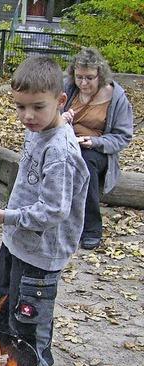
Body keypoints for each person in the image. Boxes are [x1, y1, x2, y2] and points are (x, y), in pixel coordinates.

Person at [0, 56, 90, 366]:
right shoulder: (38, 130)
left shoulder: (61, 151)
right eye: (20, 107)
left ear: (59, 101)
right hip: (16, 241)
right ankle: (6, 360)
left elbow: (54, 210)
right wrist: (8, 216)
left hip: (41, 252)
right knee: (2, 302)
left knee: (29, 318)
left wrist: (9, 216)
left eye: (37, 107)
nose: (27, 116)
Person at [61, 48, 133, 250]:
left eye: (89, 78)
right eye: (79, 77)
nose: (84, 83)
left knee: (84, 163)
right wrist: (60, 120)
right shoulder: (67, 88)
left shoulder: (116, 97)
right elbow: (48, 115)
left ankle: (92, 228)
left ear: (100, 76)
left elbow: (123, 136)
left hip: (98, 150)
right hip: (65, 143)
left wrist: (95, 142)